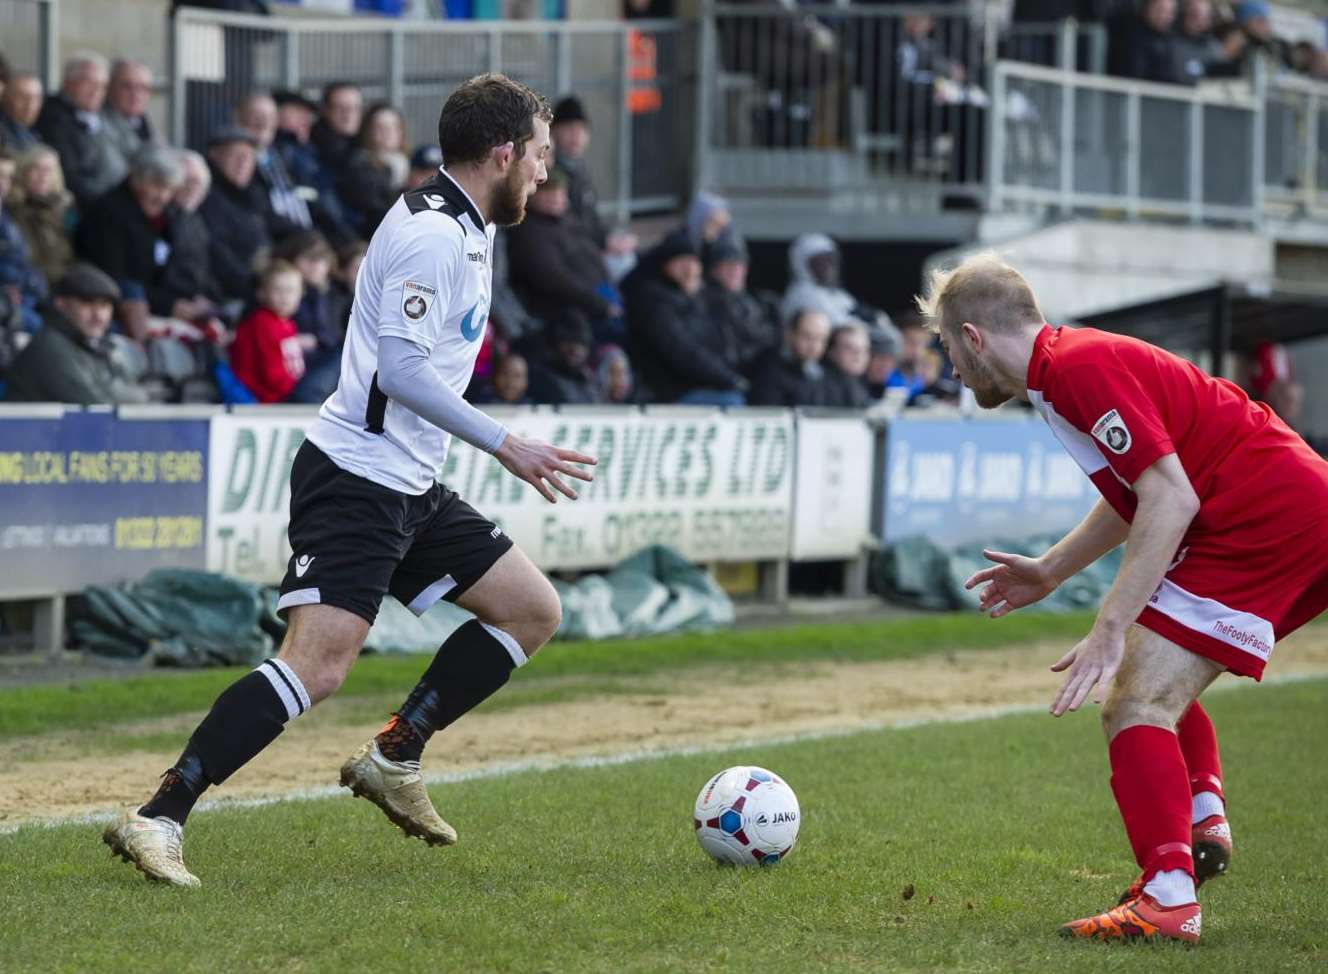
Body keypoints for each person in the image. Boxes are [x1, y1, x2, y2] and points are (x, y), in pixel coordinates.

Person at [102, 72, 596, 888]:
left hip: (409, 483)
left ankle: (395, 755)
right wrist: (505, 443)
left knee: (531, 610)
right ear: (502, 153)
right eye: (541, 156)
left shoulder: (472, 221)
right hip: (358, 479)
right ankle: (159, 815)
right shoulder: (435, 233)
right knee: (318, 666)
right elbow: (400, 370)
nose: (546, 174)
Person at [919, 253, 1328, 944]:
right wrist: (1051, 569)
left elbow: (1171, 496)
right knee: (1149, 681)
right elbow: (1142, 491)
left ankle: (1169, 897)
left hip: (1264, 515)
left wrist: (1111, 624)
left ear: (975, 337)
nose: (950, 366)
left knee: (1135, 697)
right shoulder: (1062, 373)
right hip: (1282, 505)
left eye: (948, 347)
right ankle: (1200, 818)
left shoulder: (1076, 371)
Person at [76, 144, 222, 325]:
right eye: (156, 186)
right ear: (136, 180)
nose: (162, 196)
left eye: (168, 189)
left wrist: (192, 298)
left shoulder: (168, 217)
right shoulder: (108, 215)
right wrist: (169, 305)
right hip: (122, 311)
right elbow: (115, 278)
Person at [623, 228, 746, 405]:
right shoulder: (652, 301)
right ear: (666, 265)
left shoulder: (704, 297)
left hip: (700, 383)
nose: (689, 269)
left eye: (693, 262)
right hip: (667, 392)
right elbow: (682, 351)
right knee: (732, 401)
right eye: (682, 262)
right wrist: (729, 379)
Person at [3, 263, 148, 404]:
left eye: (104, 305)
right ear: (61, 304)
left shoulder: (95, 344)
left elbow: (136, 395)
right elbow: (95, 406)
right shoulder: (50, 347)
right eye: (88, 304)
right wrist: (125, 392)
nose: (98, 315)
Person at [505, 167, 619, 326]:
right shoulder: (529, 232)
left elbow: (590, 249)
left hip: (601, 290)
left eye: (560, 193)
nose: (556, 199)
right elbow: (555, 279)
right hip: (575, 310)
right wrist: (601, 305)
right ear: (533, 195)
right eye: (549, 193)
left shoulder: (567, 218)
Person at [35, 52, 119, 207]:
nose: (96, 91)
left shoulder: (105, 115)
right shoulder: (53, 118)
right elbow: (72, 178)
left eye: (102, 86)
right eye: (88, 83)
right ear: (67, 83)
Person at [198, 125, 269, 300]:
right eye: (235, 155)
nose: (243, 163)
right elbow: (217, 252)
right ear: (215, 156)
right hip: (231, 293)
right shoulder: (206, 195)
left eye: (249, 157)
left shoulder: (253, 192)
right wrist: (257, 288)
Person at [235, 91, 315, 240]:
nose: (264, 122)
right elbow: (260, 211)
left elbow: (312, 198)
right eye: (256, 116)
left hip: (304, 239)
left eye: (270, 117)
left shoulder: (283, 155)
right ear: (239, 119)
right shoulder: (235, 162)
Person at [701, 230, 779, 380]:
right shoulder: (703, 302)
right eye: (727, 264)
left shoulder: (757, 302)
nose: (735, 270)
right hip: (725, 380)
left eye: (739, 264)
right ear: (713, 269)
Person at [230, 261, 305, 403]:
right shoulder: (262, 323)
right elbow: (272, 376)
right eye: (278, 290)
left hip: (284, 395)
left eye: (291, 290)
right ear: (262, 293)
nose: (284, 297)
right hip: (267, 401)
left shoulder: (287, 323)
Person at [7, 144, 75, 284]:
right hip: (36, 281)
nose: (43, 175)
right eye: (36, 169)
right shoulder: (13, 209)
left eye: (49, 170)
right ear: (23, 172)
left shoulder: (67, 207)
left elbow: (77, 243)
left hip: (69, 276)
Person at [339, 102, 409, 236]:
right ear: (368, 131)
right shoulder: (359, 166)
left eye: (393, 127)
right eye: (380, 127)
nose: (387, 133)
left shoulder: (409, 164)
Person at [750, 308, 831, 407]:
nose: (813, 346)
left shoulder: (822, 374)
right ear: (789, 334)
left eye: (821, 339)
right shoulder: (768, 370)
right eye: (807, 336)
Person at [100, 59, 157, 188]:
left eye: (144, 88)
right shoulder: (98, 124)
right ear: (110, 88)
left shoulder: (145, 122)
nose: (136, 94)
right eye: (127, 86)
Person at [526, 310, 598, 405]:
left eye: (581, 343)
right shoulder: (539, 378)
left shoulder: (589, 380)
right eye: (568, 341)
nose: (575, 349)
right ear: (554, 344)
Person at [821, 321, 871, 408]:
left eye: (863, 349)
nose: (858, 354)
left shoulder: (860, 385)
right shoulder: (820, 389)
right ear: (832, 352)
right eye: (849, 348)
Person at [0, 72, 43, 153]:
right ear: (6, 98)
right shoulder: (3, 132)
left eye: (36, 98)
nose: (30, 105)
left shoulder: (31, 132)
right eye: (23, 97)